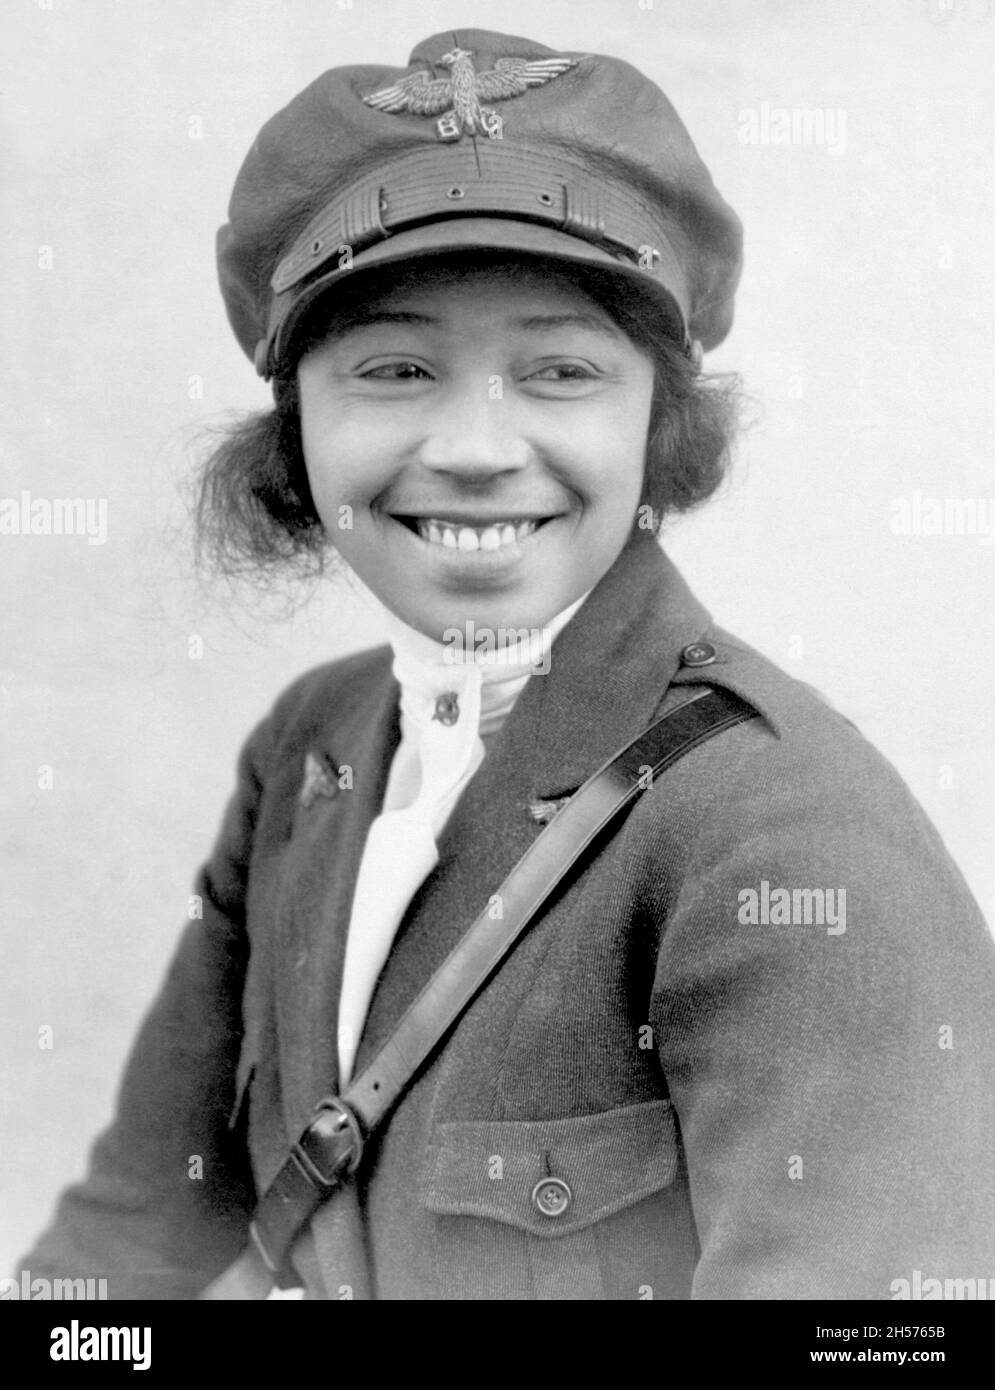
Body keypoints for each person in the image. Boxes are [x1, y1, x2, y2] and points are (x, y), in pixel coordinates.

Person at [20, 27, 995, 1301]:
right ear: (296, 425)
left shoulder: (780, 834)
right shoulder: (310, 749)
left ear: (657, 423)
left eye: (559, 371)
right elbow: (124, 1259)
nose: (477, 445)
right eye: (395, 369)